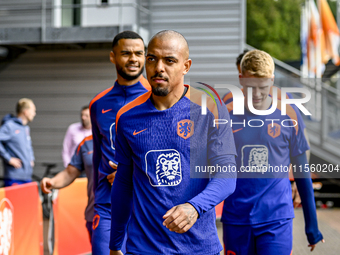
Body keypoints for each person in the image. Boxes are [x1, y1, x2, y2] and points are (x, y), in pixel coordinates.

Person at [109, 30, 237, 255]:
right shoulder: (126, 116)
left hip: (200, 248)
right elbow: (124, 183)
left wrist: (194, 207)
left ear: (186, 66)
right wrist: (115, 243)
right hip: (143, 249)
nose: (159, 67)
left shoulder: (211, 107)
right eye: (152, 59)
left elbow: (226, 176)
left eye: (169, 61)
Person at [221, 49, 324, 255]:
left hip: (276, 217)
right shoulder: (225, 108)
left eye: (263, 87)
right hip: (236, 218)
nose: (257, 94)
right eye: (251, 87)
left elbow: (302, 170)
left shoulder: (288, 110)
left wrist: (312, 227)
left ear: (272, 80)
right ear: (241, 79)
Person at [89, 30, 151, 254]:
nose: (133, 59)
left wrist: (130, 173)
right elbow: (98, 157)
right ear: (113, 56)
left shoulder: (158, 97)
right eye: (126, 53)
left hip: (145, 205)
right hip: (108, 205)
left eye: (139, 53)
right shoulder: (98, 104)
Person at [40, 135, 94, 242]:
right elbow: (70, 172)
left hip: (128, 215)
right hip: (95, 214)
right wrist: (52, 182)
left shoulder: (127, 137)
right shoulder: (86, 143)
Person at [0, 98, 36, 187]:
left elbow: (28, 146)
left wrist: (31, 159)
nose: (34, 114)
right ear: (25, 111)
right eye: (33, 111)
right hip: (14, 177)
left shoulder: (26, 128)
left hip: (26, 177)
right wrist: (9, 159)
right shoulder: (10, 126)